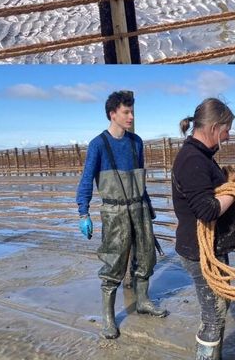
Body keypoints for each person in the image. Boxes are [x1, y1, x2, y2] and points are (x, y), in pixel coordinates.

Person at [172, 98, 235, 360]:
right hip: (200, 252)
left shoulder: (202, 157)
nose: (228, 136)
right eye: (227, 130)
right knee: (214, 316)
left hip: (213, 250)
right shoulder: (191, 160)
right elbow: (207, 210)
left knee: (219, 308)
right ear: (214, 127)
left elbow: (219, 183)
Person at [76, 90, 167, 339]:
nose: (131, 116)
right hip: (114, 211)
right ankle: (108, 317)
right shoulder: (98, 144)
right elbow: (86, 180)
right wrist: (83, 212)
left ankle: (143, 301)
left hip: (139, 208)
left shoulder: (136, 142)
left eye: (132, 111)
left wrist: (148, 205)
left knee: (146, 256)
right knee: (113, 262)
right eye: (126, 112)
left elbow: (139, 179)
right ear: (112, 114)